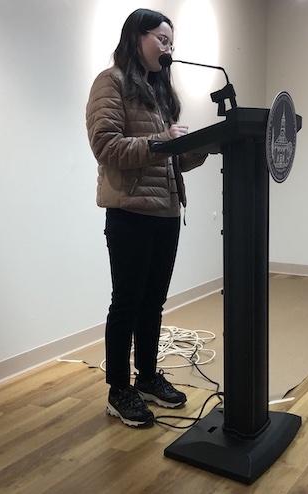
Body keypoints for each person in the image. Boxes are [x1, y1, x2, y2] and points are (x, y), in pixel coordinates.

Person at [85, 8, 207, 428]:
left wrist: (196, 146)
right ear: (137, 36)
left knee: (153, 303)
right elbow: (106, 146)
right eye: (162, 39)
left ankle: (148, 376)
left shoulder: (158, 92)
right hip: (130, 213)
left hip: (167, 212)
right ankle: (120, 390)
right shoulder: (111, 82)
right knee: (127, 304)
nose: (168, 48)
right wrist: (161, 141)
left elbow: (166, 158)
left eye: (172, 42)